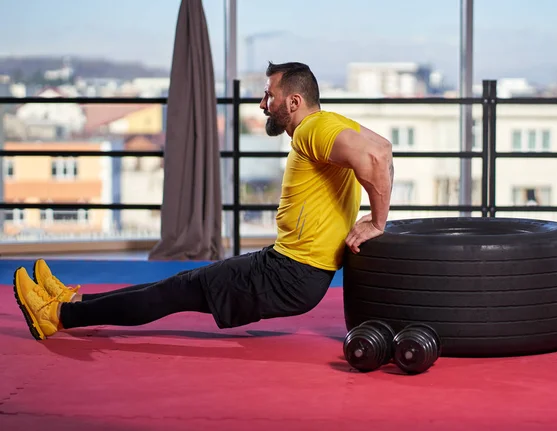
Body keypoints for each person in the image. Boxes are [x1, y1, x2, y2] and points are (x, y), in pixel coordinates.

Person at [12, 61, 394, 341]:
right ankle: (74, 299)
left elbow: (376, 157)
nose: (263, 104)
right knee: (179, 284)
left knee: (172, 293)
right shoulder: (327, 124)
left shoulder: (314, 128)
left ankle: (58, 316)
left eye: (269, 95)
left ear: (293, 101)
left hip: (293, 275)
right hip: (287, 265)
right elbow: (383, 147)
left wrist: (377, 222)